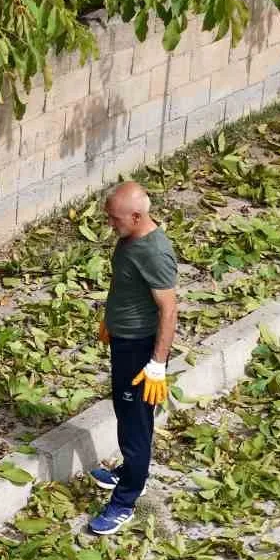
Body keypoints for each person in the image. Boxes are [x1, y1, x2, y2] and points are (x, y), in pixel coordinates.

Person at [87, 182, 179, 535]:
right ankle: (128, 473)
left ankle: (125, 501)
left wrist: (156, 365)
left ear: (137, 216)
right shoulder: (131, 239)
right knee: (126, 413)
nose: (110, 224)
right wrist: (110, 320)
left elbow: (168, 311)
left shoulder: (154, 253)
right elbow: (126, 287)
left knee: (136, 428)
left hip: (141, 349)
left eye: (114, 218)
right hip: (124, 339)